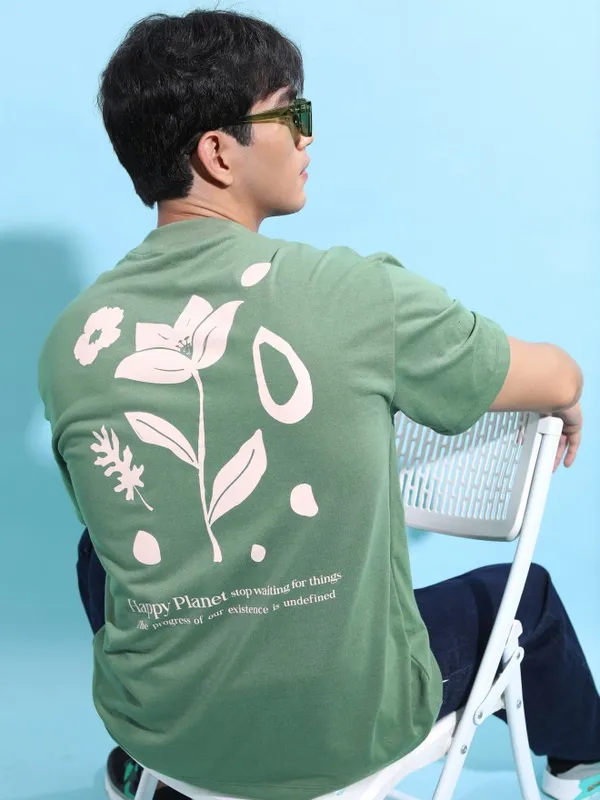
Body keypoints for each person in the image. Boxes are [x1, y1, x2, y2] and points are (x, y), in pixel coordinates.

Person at [38, 10, 599, 800]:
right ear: (217, 152)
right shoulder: (356, 298)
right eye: (291, 113)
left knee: (98, 548)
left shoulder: (71, 340)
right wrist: (568, 399)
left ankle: (152, 760)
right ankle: (583, 760)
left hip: (161, 730)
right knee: (526, 595)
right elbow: (557, 376)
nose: (308, 136)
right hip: (343, 734)